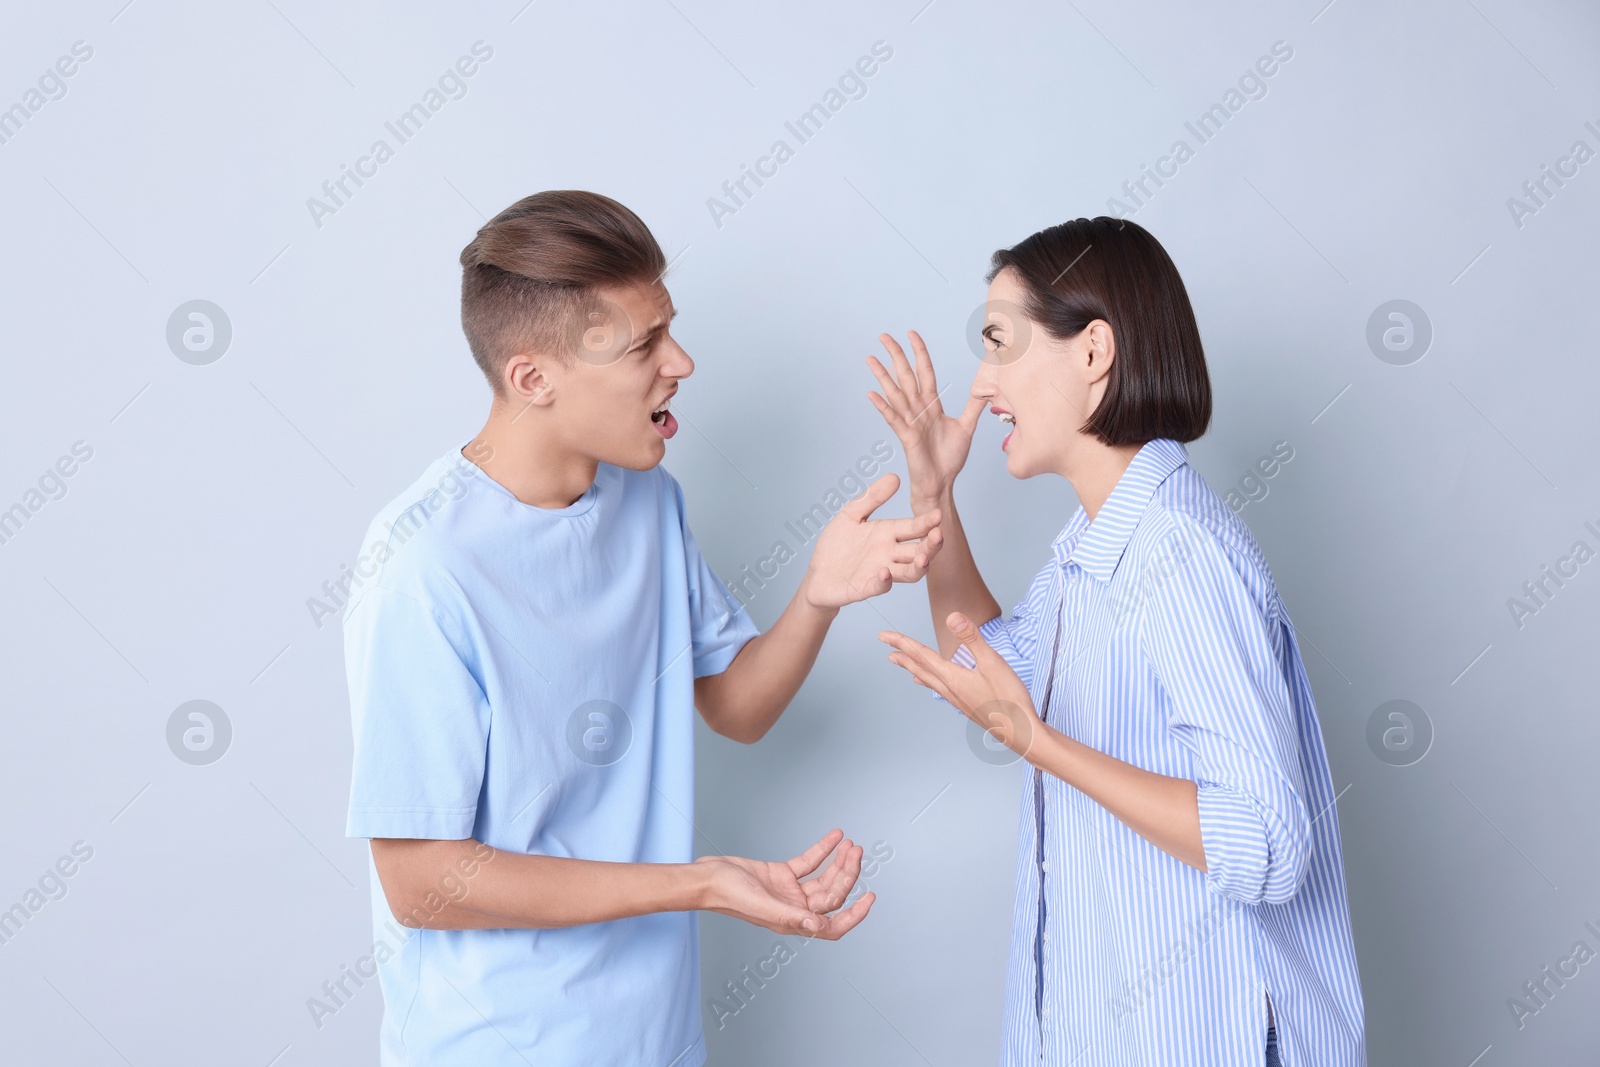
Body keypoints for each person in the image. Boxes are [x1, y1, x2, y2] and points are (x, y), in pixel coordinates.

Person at [342, 190, 944, 1066]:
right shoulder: (421, 567)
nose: (683, 362)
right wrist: (698, 881)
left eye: (672, 328)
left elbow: (737, 705)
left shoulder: (648, 503)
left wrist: (819, 593)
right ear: (533, 378)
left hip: (655, 1039)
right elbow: (422, 880)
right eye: (644, 346)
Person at [869, 216, 1364, 1066]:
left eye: (1000, 343)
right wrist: (933, 488)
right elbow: (986, 662)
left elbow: (1267, 842)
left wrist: (1038, 743)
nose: (982, 384)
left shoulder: (1176, 550)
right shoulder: (1095, 552)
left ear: (1093, 350)